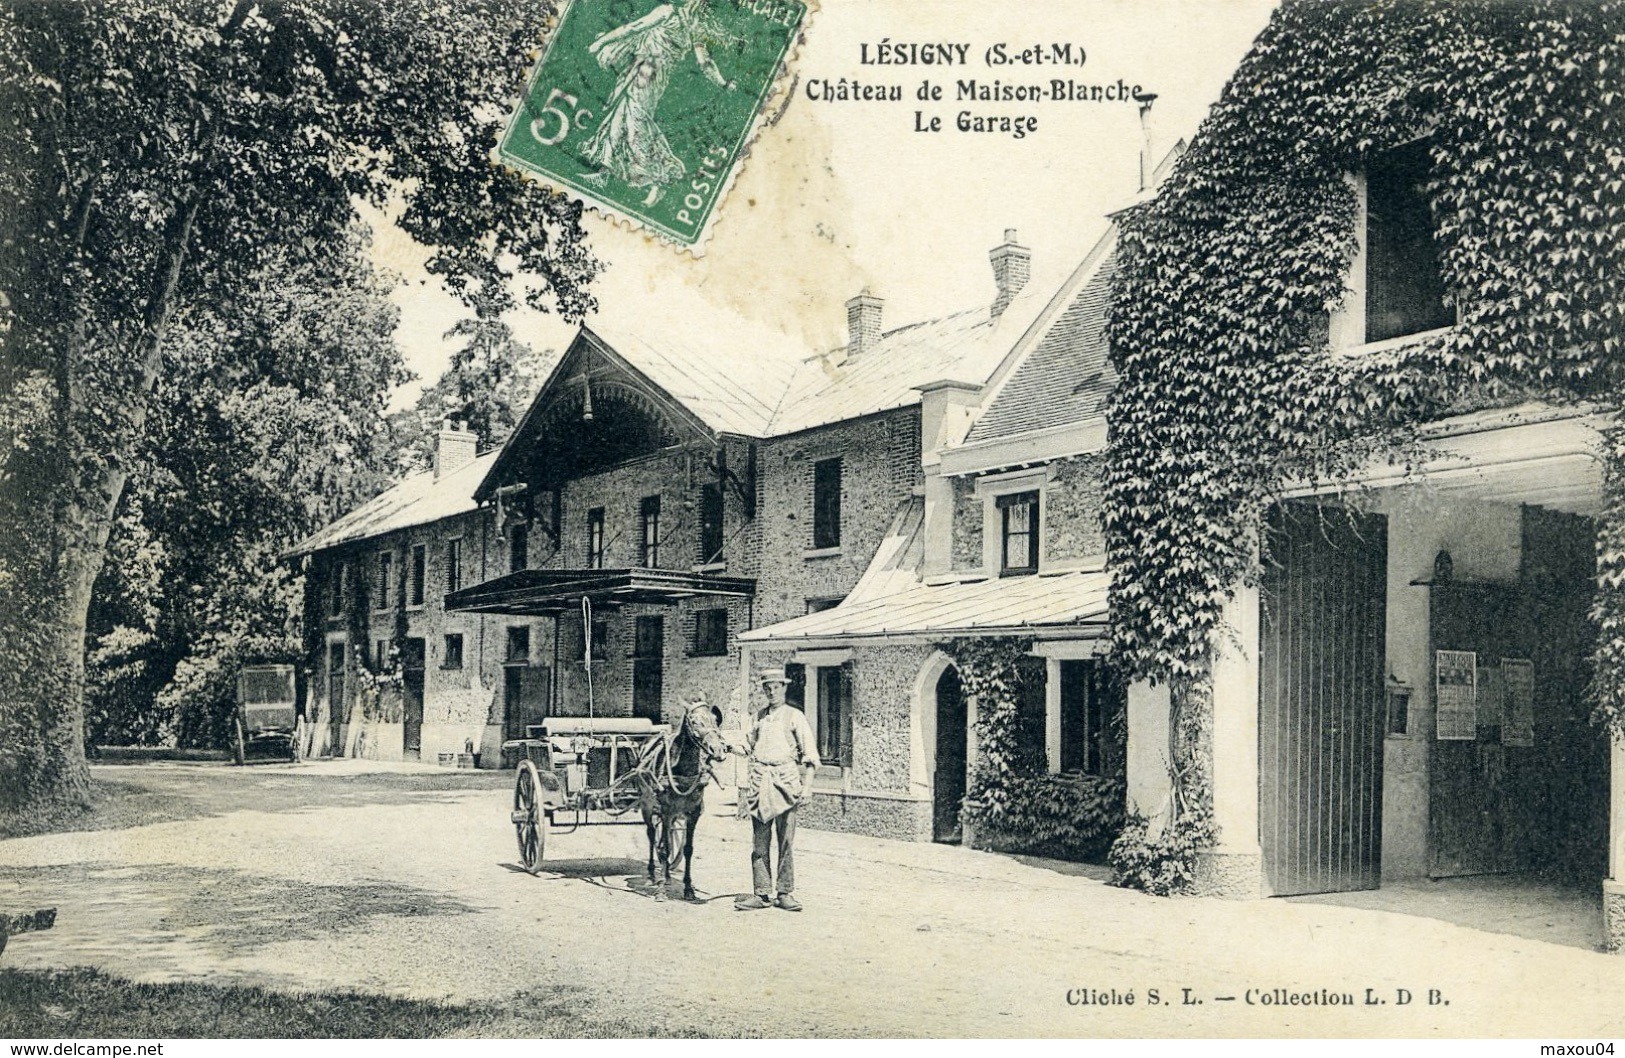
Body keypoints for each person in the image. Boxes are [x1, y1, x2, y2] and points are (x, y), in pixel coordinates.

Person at [578, 0, 738, 207]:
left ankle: (662, 178)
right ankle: (604, 172)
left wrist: (723, 83)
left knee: (636, 123)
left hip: (652, 75)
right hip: (642, 69)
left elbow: (705, 63)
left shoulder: (691, 23)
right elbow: (634, 28)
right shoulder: (674, 14)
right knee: (619, 117)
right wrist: (601, 43)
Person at [733, 667, 819, 911]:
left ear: (784, 687)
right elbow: (746, 747)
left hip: (786, 782)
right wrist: (727, 747)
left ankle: (784, 893)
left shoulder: (795, 716)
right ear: (764, 690)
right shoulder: (758, 717)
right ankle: (761, 894)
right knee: (760, 842)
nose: (772, 692)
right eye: (767, 688)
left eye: (776, 687)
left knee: (786, 841)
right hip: (761, 782)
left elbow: (810, 756)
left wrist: (807, 787)